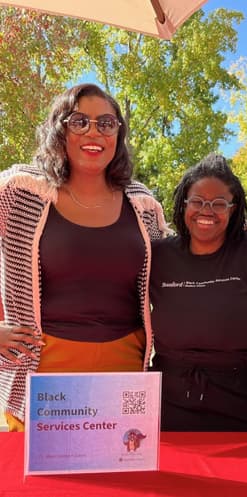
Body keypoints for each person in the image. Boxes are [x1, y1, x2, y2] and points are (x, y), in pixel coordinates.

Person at [0, 83, 167, 431]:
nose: (94, 132)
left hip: (125, 372)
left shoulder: (143, 204)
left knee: (123, 482)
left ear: (118, 134)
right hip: (43, 373)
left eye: (106, 123)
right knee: (48, 485)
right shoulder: (19, 191)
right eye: (79, 121)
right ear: (58, 128)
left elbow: (171, 276)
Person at [149, 154, 247, 431]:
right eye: (197, 201)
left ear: (233, 208)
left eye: (218, 203)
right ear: (183, 205)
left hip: (246, 402)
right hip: (168, 405)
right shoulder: (158, 255)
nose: (206, 211)